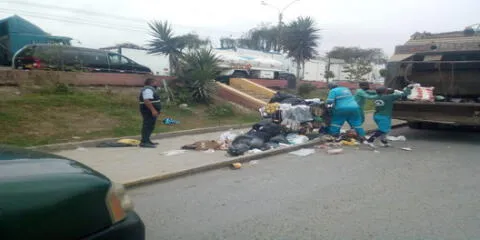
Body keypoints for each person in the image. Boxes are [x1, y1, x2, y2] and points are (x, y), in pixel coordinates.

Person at [139, 78, 162, 148]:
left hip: (150, 110)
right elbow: (146, 101)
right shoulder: (148, 89)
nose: (157, 84)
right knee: (147, 125)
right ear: (151, 83)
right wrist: (153, 110)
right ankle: (144, 142)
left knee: (150, 125)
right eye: (155, 82)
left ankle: (147, 140)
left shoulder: (150, 89)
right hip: (148, 110)